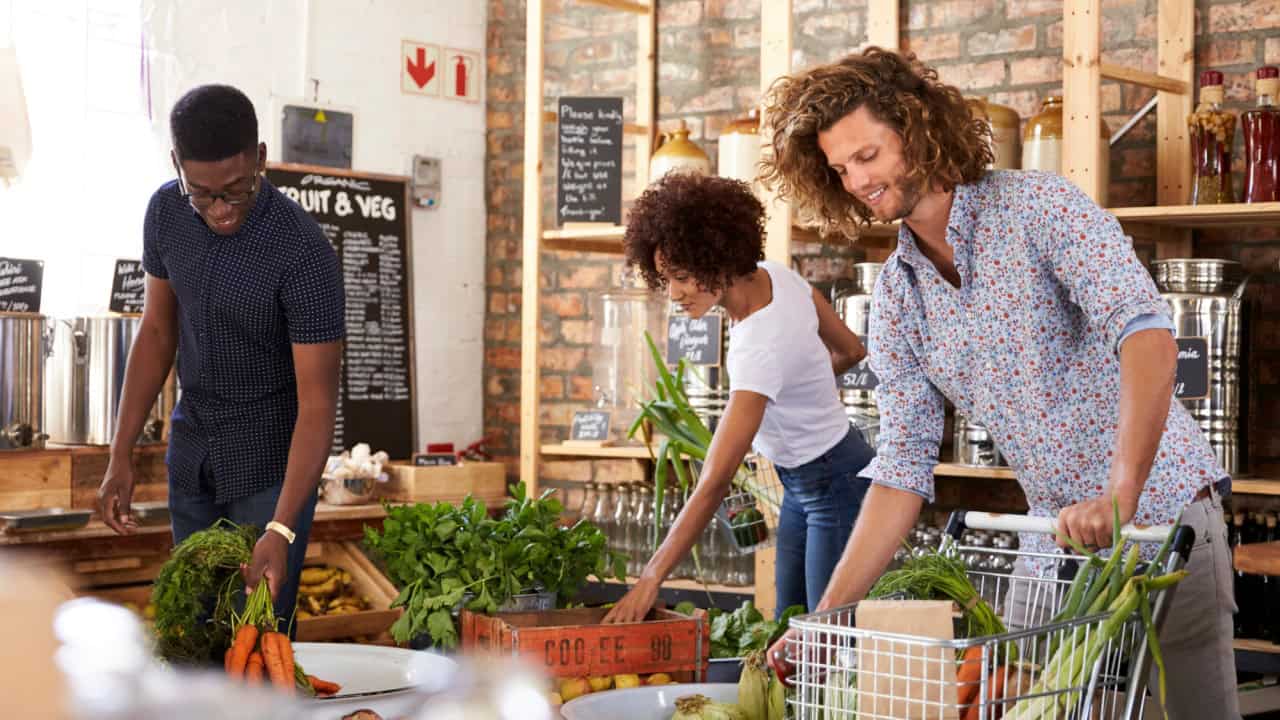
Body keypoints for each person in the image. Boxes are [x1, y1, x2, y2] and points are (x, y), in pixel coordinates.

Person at [758, 48, 1237, 718]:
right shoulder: (898, 295)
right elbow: (901, 466)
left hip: (1164, 518)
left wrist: (1117, 496)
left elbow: (1146, 334)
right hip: (1055, 537)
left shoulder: (1040, 208)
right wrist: (829, 618)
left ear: (917, 131)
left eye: (866, 156)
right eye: (839, 168)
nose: (856, 180)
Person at [97, 84, 346, 631]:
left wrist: (280, 529)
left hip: (269, 471)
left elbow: (318, 405)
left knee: (255, 640)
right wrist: (121, 453)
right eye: (202, 193)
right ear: (177, 167)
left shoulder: (303, 253)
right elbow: (158, 331)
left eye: (236, 190)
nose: (219, 210)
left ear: (260, 158)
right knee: (192, 631)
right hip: (193, 457)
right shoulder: (165, 212)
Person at [601, 172, 876, 623]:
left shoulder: (756, 348)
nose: (673, 294)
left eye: (684, 277)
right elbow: (851, 350)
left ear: (720, 260)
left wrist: (650, 579)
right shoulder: (778, 276)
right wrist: (790, 395)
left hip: (835, 487)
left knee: (824, 639)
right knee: (789, 629)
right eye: (666, 278)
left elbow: (714, 480)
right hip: (806, 482)